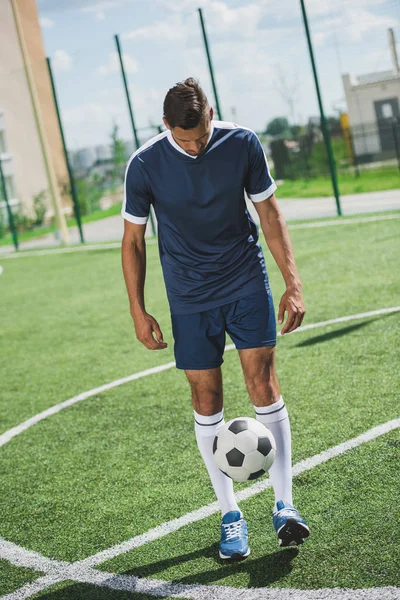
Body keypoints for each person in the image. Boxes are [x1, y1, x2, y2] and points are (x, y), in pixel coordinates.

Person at [121, 77, 310, 561]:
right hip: (189, 296)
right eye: (185, 140)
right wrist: (138, 310)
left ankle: (285, 506)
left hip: (245, 281)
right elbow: (133, 241)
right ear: (166, 127)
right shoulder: (143, 164)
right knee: (207, 396)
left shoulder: (241, 142)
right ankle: (230, 515)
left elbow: (269, 212)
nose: (197, 145)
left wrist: (292, 280)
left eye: (202, 134)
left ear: (211, 114)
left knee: (264, 383)